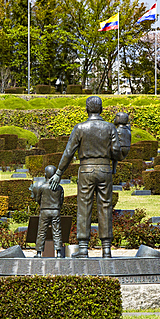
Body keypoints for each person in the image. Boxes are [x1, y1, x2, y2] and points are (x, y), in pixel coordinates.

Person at [49, 95, 126, 258]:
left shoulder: (80, 128)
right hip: (105, 169)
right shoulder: (110, 128)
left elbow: (69, 152)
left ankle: (83, 248)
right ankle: (106, 249)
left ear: (86, 109)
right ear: (102, 109)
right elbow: (117, 151)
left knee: (84, 207)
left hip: (86, 170)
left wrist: (58, 173)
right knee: (105, 206)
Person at [29, 165, 65, 259]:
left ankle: (39, 252)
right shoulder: (60, 188)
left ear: (46, 174)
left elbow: (38, 199)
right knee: (57, 231)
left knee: (41, 231)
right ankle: (59, 252)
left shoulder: (42, 187)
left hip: (44, 211)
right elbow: (61, 201)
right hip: (55, 211)